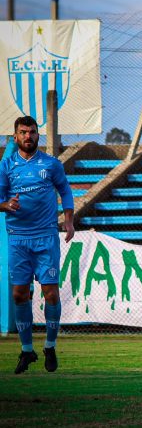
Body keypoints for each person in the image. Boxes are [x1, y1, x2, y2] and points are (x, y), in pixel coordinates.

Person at [0, 116, 75, 374]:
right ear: (15, 136)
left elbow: (65, 190)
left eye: (32, 132)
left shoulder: (51, 164)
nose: (28, 136)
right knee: (19, 294)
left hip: (45, 237)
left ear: (37, 135)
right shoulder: (6, 165)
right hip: (18, 238)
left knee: (50, 293)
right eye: (23, 132)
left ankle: (50, 346)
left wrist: (69, 220)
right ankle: (26, 350)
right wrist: (6, 205)